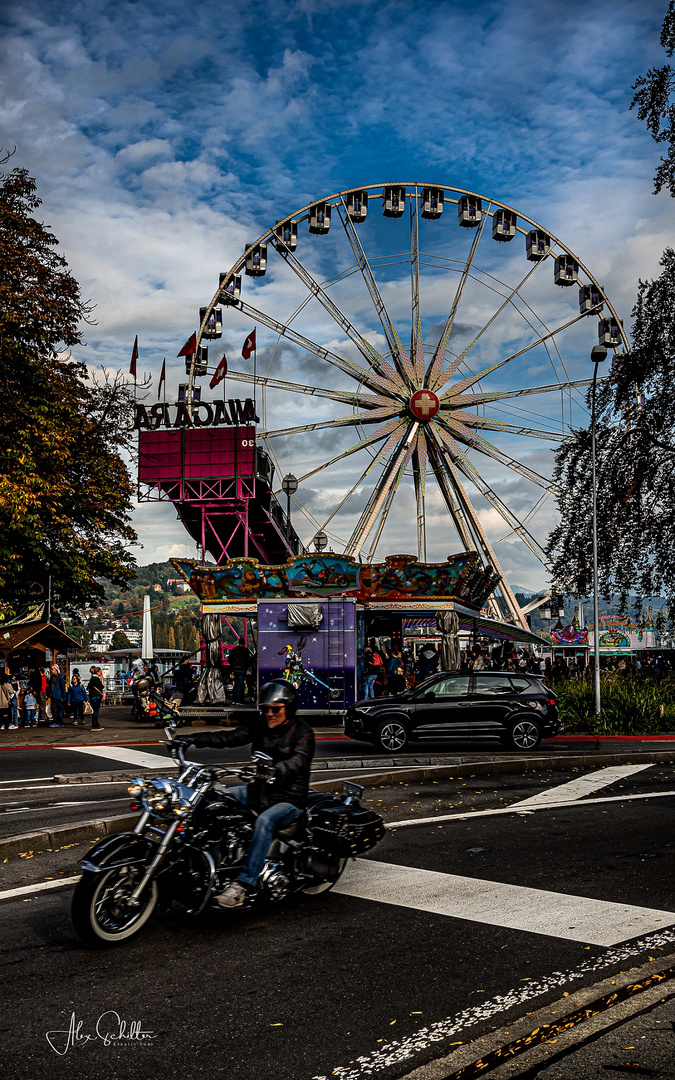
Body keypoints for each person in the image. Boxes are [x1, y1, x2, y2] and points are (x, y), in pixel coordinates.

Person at [172, 680, 314, 908]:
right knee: (215, 799)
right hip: (258, 791)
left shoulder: (302, 731)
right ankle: (200, 860)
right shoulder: (260, 724)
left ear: (289, 708)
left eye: (275, 709)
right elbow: (230, 737)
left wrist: (276, 769)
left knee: (265, 821)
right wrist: (192, 739)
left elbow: (299, 760)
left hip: (289, 799)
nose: (269, 713)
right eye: (265, 708)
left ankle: (243, 885)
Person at [228, 637, 252, 704]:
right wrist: (247, 667)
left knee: (236, 684)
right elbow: (249, 659)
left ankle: (234, 700)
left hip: (235, 669)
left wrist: (233, 665)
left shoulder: (234, 650)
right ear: (244, 643)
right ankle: (239, 700)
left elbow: (230, 659)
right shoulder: (245, 650)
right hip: (242, 669)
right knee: (240, 685)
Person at [87, 666, 105, 731]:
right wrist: (102, 678)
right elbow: (102, 686)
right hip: (96, 696)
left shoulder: (91, 679)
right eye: (100, 671)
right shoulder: (96, 679)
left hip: (92, 696)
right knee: (96, 711)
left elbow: (88, 687)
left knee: (94, 710)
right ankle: (94, 725)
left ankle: (96, 723)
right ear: (97, 672)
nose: (101, 673)